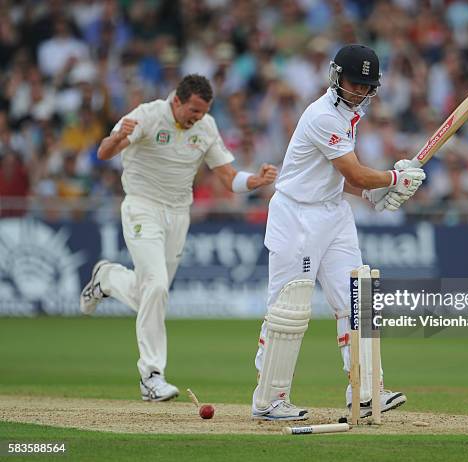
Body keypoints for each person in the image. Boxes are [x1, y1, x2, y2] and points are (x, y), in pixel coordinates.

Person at [252, 44, 426, 420]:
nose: (360, 91)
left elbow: (342, 178)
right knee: (289, 310)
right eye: (354, 83)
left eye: (366, 85)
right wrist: (394, 178)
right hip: (295, 216)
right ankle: (269, 400)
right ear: (336, 77)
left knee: (358, 296)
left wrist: (371, 191)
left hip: (333, 213)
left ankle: (365, 392)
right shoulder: (322, 116)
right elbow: (354, 172)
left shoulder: (349, 116)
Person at [80, 74, 277, 402]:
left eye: (203, 112)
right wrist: (118, 139)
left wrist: (254, 181)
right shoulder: (147, 115)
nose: (197, 118)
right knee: (156, 286)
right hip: (142, 206)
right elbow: (103, 152)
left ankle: (109, 279)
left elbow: (227, 177)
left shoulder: (206, 127)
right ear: (177, 101)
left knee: (153, 293)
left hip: (178, 215)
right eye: (193, 111)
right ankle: (151, 376)